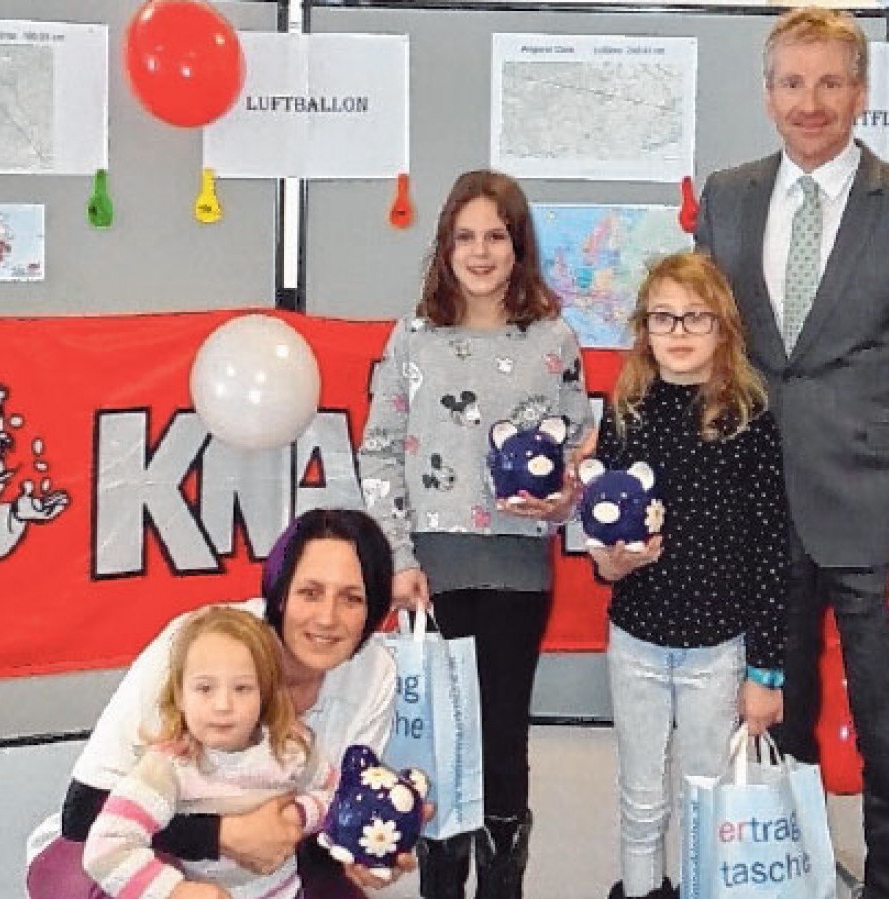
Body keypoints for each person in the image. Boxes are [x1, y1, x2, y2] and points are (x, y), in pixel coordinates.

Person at [694, 9, 889, 899]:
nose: (810, 103)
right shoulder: (728, 195)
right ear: (768, 94)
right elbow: (707, 355)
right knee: (779, 726)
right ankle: (797, 876)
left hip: (882, 528)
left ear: (861, 92)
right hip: (757, 521)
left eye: (830, 83)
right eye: (792, 83)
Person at [357, 169, 595, 899]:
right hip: (432, 574)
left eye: (497, 236)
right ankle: (439, 885)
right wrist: (396, 560)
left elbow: (579, 454)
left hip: (518, 574)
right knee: (436, 744)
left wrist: (556, 501)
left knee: (500, 742)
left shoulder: (552, 338)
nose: (481, 251)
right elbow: (379, 449)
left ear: (519, 247)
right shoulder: (415, 337)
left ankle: (501, 885)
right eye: (466, 236)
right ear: (445, 246)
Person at [27, 507, 407, 899]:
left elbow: (333, 808)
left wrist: (371, 841)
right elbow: (84, 812)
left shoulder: (374, 673)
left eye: (352, 599)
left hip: (267, 869)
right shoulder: (198, 646)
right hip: (121, 846)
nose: (327, 618)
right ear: (279, 593)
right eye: (310, 593)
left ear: (373, 609)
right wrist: (221, 836)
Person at [585, 251, 790, 899]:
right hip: (637, 640)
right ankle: (643, 889)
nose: (677, 331)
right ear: (643, 327)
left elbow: (772, 552)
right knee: (641, 796)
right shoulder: (626, 411)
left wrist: (766, 671)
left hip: (717, 651)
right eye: (663, 316)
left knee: (708, 797)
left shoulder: (748, 419)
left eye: (694, 317)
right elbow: (602, 543)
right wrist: (614, 560)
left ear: (722, 328)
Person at [83, 606, 336, 899]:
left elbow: (335, 793)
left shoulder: (291, 746)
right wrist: (175, 892)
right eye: (205, 688)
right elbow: (105, 846)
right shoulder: (169, 767)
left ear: (264, 694)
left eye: (242, 688)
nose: (223, 705)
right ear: (179, 695)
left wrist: (301, 814)